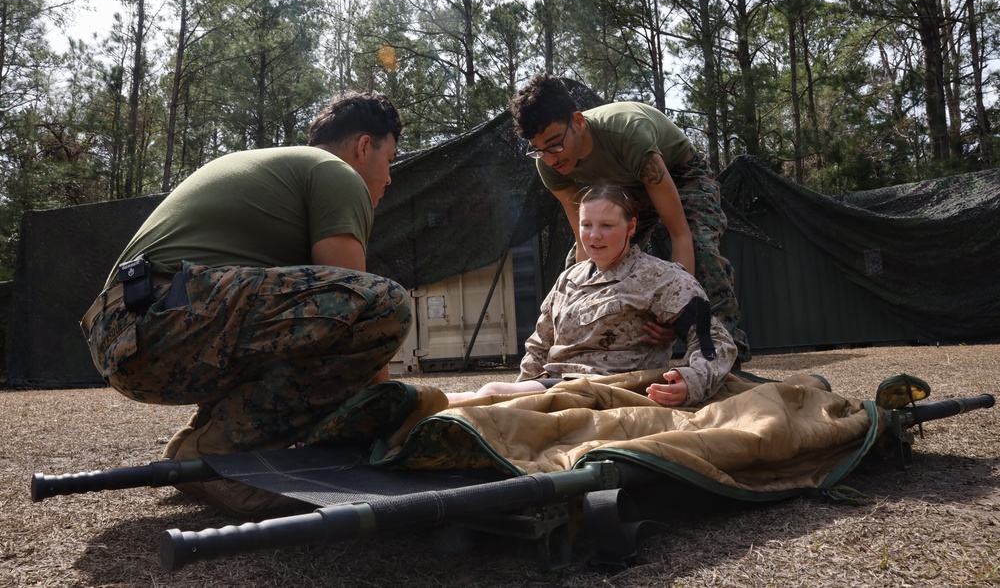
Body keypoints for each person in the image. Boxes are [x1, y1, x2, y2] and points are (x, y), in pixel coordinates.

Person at [80, 91, 413, 517]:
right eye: (390, 159)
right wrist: (391, 414)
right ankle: (222, 454)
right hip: (164, 319)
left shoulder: (279, 172)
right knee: (387, 304)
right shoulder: (336, 173)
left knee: (308, 334)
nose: (389, 178)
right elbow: (361, 312)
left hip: (125, 336)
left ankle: (196, 447)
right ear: (364, 147)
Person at [510, 74, 750, 363]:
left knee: (701, 249)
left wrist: (674, 317)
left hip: (681, 174)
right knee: (585, 263)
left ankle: (723, 349)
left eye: (554, 145)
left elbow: (679, 233)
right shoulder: (548, 164)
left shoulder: (627, 132)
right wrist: (587, 305)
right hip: (624, 189)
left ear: (578, 121)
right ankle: (594, 350)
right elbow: (584, 239)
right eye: (538, 150)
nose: (550, 158)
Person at [448, 184, 737, 406]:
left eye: (607, 226)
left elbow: (714, 342)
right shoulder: (569, 278)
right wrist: (523, 386)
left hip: (610, 391)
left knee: (490, 395)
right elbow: (539, 344)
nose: (594, 236)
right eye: (586, 225)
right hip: (556, 388)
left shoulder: (662, 279)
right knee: (484, 400)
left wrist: (691, 382)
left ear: (631, 227)